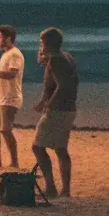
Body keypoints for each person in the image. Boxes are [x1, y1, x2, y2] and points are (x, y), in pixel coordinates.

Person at [32, 27, 79, 198]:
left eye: (41, 42)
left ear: (47, 43)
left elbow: (63, 85)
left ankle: (51, 187)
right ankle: (65, 190)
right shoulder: (66, 57)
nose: (40, 45)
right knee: (60, 149)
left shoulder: (57, 60)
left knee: (37, 147)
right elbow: (56, 83)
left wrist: (48, 105)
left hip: (58, 110)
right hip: (68, 109)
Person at [0, 24, 24, 168]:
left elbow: (12, 74)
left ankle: (14, 162)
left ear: (8, 38)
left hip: (10, 98)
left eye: (0, 37)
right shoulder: (5, 54)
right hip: (0, 99)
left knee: (5, 129)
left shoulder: (14, 54)